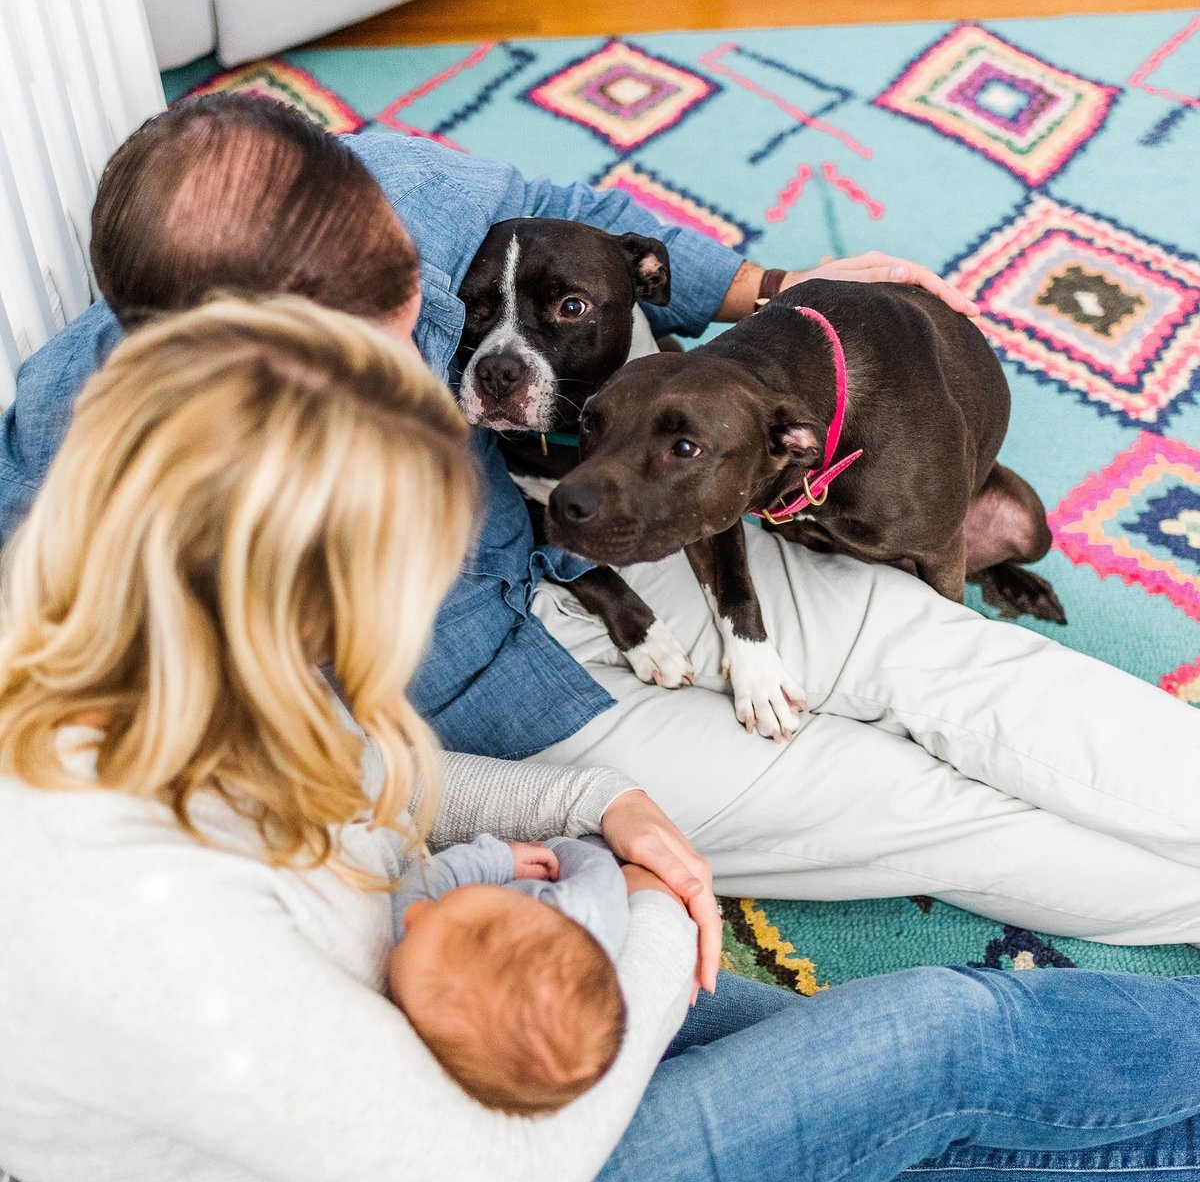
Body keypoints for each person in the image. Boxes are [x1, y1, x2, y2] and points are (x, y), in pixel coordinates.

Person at [4, 296, 1200, 1182]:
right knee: (944, 1033)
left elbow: (368, 771)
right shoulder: (118, 914)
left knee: (873, 1102)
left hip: (426, 1032)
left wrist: (595, 807)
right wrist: (633, 919)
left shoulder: (135, 670)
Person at [4, 96, 1200, 948]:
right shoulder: (94, 481)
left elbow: (557, 211)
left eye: (424, 303)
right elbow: (205, 744)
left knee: (952, 656)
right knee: (922, 810)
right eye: (372, 350)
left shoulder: (370, 194)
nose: (442, 355)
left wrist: (770, 288)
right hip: (502, 704)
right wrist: (539, 808)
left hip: (622, 524)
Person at [387, 834, 630, 1114]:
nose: (410, 912)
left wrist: (500, 859)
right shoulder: (587, 906)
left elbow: (420, 887)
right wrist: (554, 848)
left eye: (406, 938)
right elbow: (596, 862)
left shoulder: (422, 968)